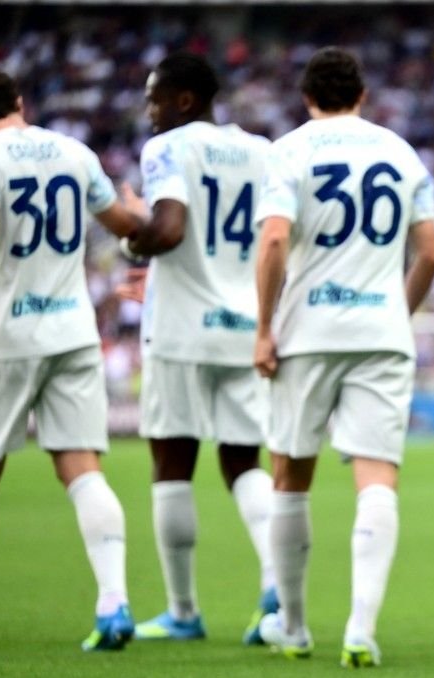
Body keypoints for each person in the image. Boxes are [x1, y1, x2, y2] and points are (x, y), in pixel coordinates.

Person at [252, 47, 434, 667]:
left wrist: (264, 327)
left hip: (308, 330)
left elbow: (274, 239)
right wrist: (396, 311)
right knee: (377, 477)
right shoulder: (400, 152)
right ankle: (361, 629)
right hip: (381, 331)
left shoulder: (289, 150)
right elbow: (431, 252)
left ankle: (294, 627)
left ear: (308, 97)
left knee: (290, 474)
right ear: (361, 95)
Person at [117, 53, 278, 644]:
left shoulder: (168, 147)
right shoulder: (262, 151)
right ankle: (277, 588)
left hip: (182, 327)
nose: (149, 110)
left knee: (172, 464)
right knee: (243, 463)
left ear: (184, 100)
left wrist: (131, 232)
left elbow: (168, 229)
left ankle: (183, 611)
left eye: (155, 98)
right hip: (244, 324)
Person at [0, 70, 144, 650]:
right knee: (82, 468)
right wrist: (141, 222)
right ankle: (114, 603)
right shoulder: (73, 151)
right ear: (19, 101)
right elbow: (124, 226)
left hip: (6, 334)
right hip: (73, 331)